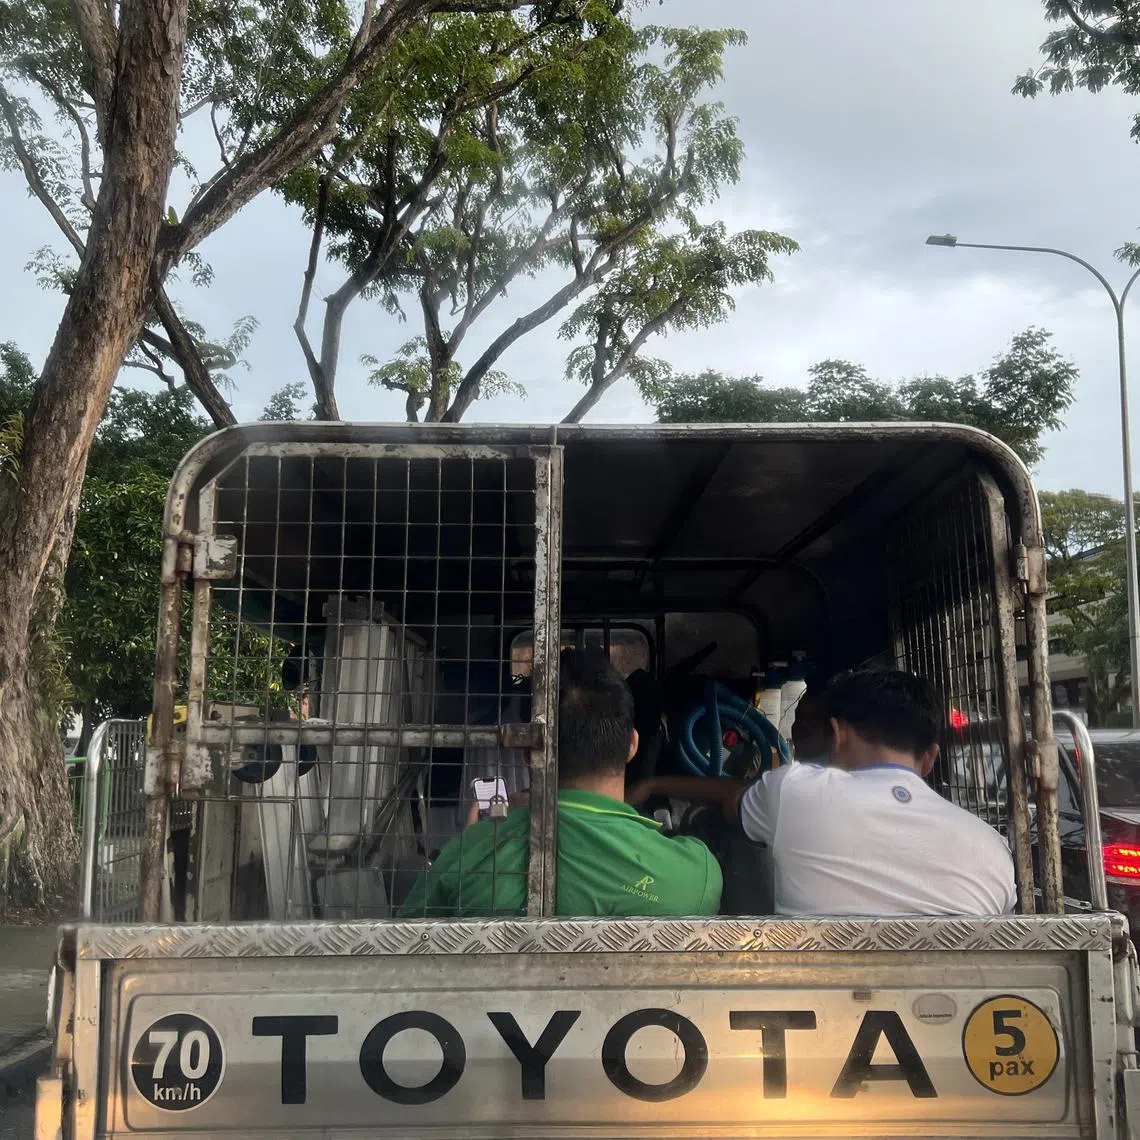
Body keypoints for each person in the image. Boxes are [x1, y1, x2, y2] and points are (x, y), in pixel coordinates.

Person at [628, 669, 1016, 917]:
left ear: (836, 734)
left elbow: (732, 804)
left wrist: (652, 785)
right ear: (930, 757)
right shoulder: (994, 849)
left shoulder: (792, 791)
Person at [399, 648, 722, 918]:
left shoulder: (469, 854)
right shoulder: (696, 871)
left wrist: (476, 844)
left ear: (529, 754)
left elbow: (410, 944)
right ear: (632, 745)